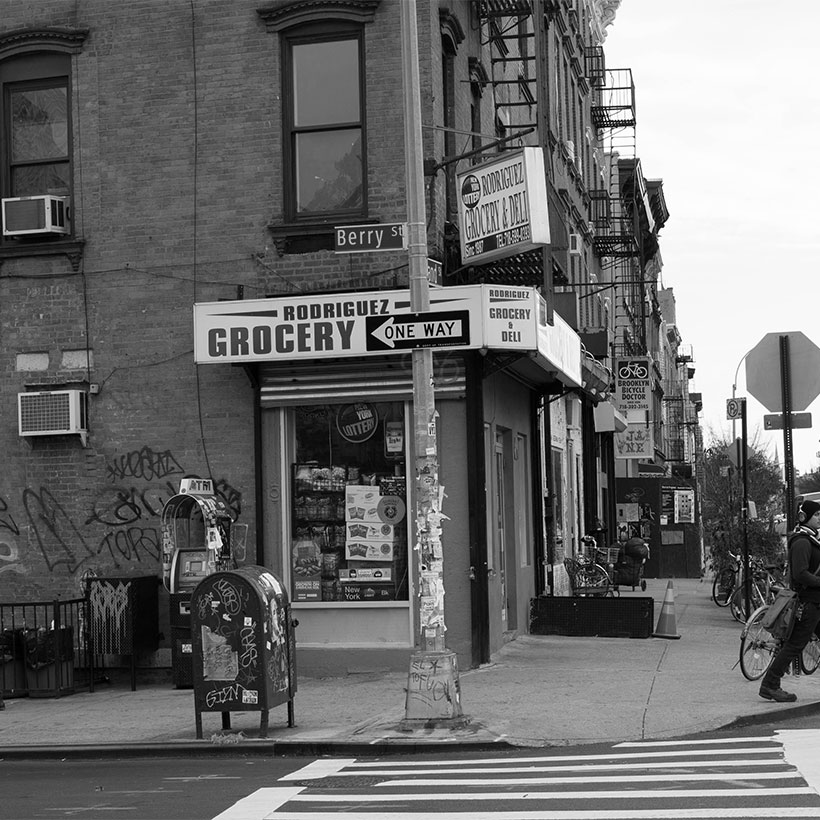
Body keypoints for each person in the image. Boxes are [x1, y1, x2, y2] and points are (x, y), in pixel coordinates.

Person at [759, 498, 820, 702]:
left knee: (795, 644)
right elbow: (800, 574)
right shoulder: (802, 541)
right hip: (809, 603)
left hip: (815, 602)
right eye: (817, 515)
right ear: (806, 517)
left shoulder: (811, 539)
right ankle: (770, 685)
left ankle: (770, 684)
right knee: (794, 645)